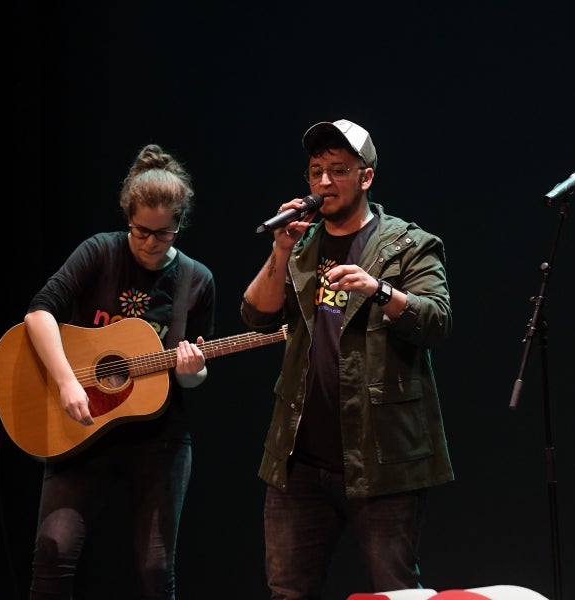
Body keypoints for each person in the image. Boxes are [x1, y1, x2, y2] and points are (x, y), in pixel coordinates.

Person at [240, 118, 454, 599]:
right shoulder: (302, 243)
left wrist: (380, 290)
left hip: (381, 460)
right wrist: (281, 249)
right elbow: (256, 313)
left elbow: (437, 321)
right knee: (287, 592)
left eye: (337, 170)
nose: (323, 182)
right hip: (298, 461)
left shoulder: (410, 244)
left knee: (393, 590)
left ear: (366, 176)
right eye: (316, 171)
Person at [23, 143, 216, 599]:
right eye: (140, 231)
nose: (150, 243)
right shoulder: (100, 252)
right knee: (52, 553)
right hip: (83, 429)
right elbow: (38, 314)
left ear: (179, 224)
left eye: (163, 234)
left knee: (155, 571)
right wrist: (68, 381)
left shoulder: (196, 279)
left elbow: (192, 377)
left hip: (158, 439)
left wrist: (193, 368)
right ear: (128, 218)